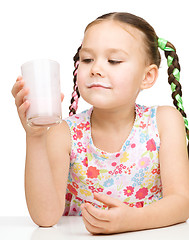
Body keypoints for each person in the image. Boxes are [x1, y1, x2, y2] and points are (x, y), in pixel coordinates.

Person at [12, 12, 189, 235]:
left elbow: (181, 203)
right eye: (87, 59)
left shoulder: (164, 122)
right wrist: (35, 136)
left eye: (113, 60)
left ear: (148, 77)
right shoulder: (63, 132)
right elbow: (45, 219)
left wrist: (132, 221)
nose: (95, 68)